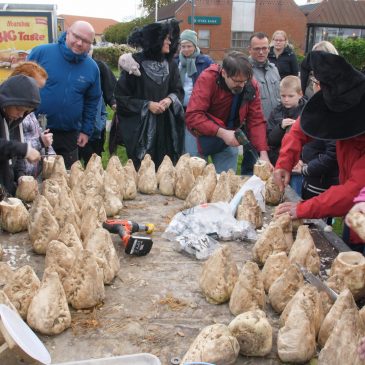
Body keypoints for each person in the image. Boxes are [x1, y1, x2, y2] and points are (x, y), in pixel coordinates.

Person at [273, 51, 365, 253]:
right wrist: (284, 162)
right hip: (355, 209)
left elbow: (353, 191)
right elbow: (299, 129)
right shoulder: (341, 98)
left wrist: (302, 208)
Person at [28, 20, 101, 169]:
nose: (80, 43)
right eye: (76, 37)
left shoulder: (92, 68)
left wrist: (86, 131)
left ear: (90, 44)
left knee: (67, 179)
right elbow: (21, 85)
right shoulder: (41, 53)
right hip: (35, 131)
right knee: (31, 178)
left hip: (69, 135)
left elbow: (92, 101)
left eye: (86, 41)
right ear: (67, 33)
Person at [113, 20, 184, 170]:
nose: (169, 41)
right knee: (143, 170)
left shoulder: (170, 64)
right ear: (155, 40)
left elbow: (178, 90)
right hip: (142, 130)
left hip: (166, 128)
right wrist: (147, 105)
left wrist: (169, 99)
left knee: (165, 168)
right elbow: (122, 98)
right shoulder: (134, 64)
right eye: (165, 38)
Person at [185, 51, 270, 173]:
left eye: (244, 81)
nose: (241, 85)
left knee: (227, 180)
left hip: (229, 134)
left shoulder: (250, 85)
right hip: (198, 133)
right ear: (224, 73)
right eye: (236, 81)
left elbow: (256, 119)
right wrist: (222, 133)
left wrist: (263, 152)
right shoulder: (208, 78)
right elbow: (193, 115)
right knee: (193, 179)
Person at [243, 32, 280, 174]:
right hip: (252, 127)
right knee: (251, 166)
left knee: (271, 166)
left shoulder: (274, 69)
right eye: (257, 48)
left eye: (264, 48)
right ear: (249, 49)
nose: (261, 52)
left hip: (274, 128)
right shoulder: (244, 70)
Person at [9, 61, 54, 177]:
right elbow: (13, 145)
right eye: (35, 87)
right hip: (18, 176)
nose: (37, 93)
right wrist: (40, 142)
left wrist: (51, 153)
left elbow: (35, 134)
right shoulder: (12, 111)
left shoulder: (28, 111)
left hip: (29, 175)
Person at [0, 75, 42, 196]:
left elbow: (17, 157)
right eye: (19, 109)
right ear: (7, 100)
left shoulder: (14, 119)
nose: (20, 115)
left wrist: (20, 176)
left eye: (25, 112)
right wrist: (24, 149)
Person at [176, 29, 214, 156]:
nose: (186, 49)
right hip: (179, 106)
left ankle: (197, 162)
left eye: (189, 46)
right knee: (180, 141)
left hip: (197, 108)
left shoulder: (206, 61)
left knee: (194, 142)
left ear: (195, 45)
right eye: (183, 46)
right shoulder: (177, 62)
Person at [267, 75, 306, 195]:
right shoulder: (276, 112)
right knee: (277, 194)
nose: (286, 99)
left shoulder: (306, 113)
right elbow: (270, 140)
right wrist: (280, 127)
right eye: (283, 96)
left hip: (297, 166)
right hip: (278, 162)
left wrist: (298, 129)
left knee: (294, 194)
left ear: (300, 94)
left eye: (290, 96)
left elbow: (311, 143)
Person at [79, 47, 117, 164]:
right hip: (76, 127)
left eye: (89, 48)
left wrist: (100, 124)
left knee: (94, 160)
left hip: (95, 128)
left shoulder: (100, 67)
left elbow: (110, 89)